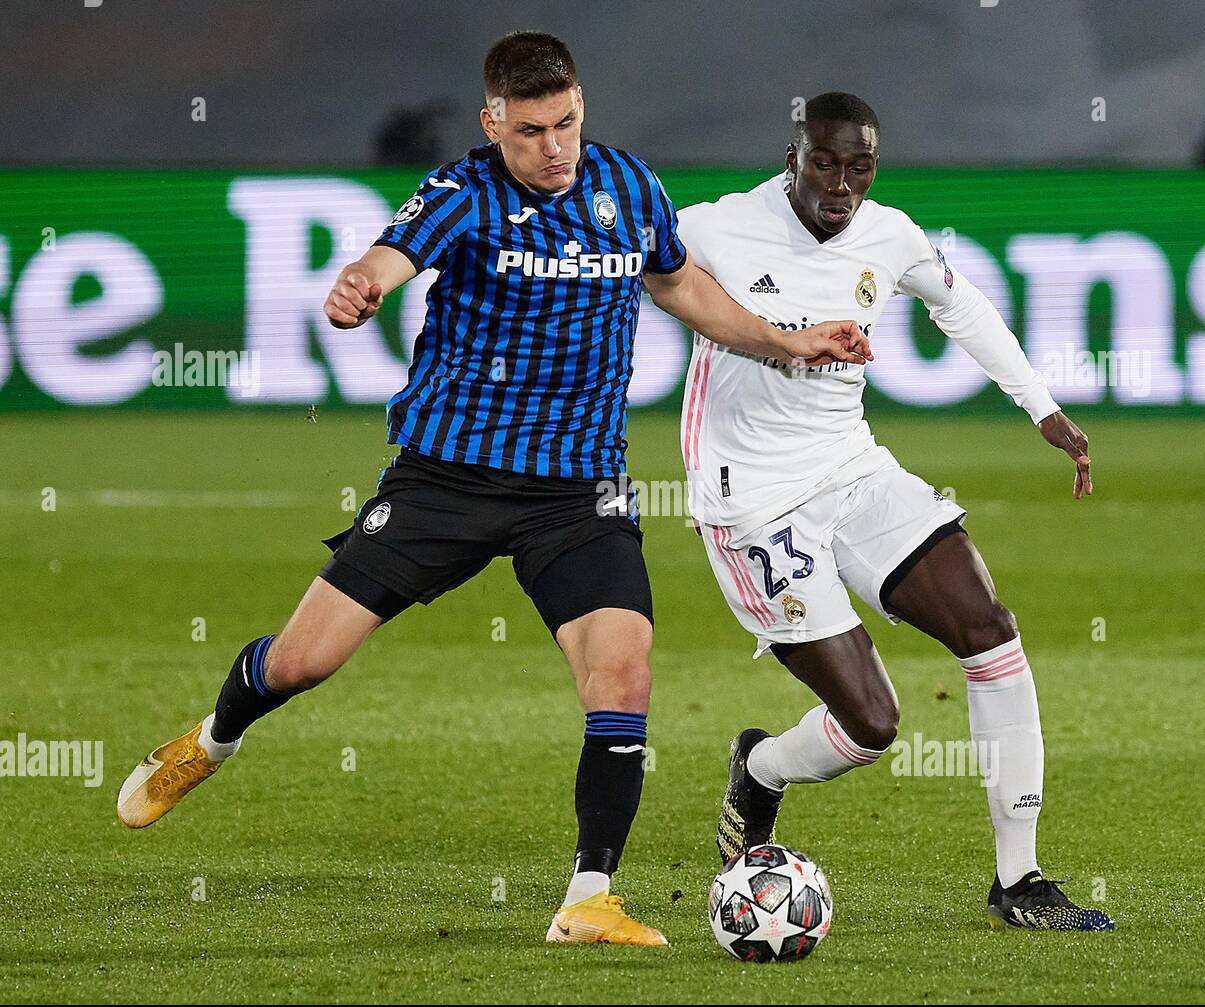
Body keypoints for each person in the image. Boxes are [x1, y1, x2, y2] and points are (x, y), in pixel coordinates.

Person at [115, 34, 868, 947]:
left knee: (622, 674)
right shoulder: (465, 192)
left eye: (566, 124)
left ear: (583, 107)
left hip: (578, 490)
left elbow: (683, 288)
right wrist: (361, 286)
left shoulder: (629, 188)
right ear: (492, 123)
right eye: (530, 131)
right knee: (303, 662)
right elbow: (390, 258)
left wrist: (791, 342)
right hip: (448, 476)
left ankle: (588, 897)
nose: (553, 148)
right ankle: (213, 737)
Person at [678, 92, 1114, 931]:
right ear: (793, 157)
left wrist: (1042, 409)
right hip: (752, 501)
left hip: (850, 468)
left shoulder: (891, 235)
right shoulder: (716, 226)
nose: (842, 184)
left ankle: (1018, 879)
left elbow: (963, 305)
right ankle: (762, 767)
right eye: (826, 163)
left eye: (861, 166)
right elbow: (630, 276)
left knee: (989, 625)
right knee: (872, 723)